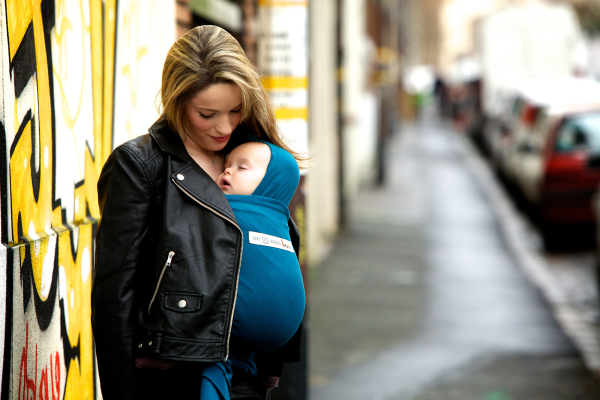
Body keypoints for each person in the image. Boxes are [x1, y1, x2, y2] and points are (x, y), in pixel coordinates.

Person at [91, 25, 308, 400]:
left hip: (245, 376)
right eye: (207, 114)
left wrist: (269, 364)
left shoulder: (250, 159)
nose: (224, 127)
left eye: (235, 110)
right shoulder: (140, 165)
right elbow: (115, 297)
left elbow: (273, 248)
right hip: (171, 377)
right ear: (177, 102)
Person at [217, 139, 305, 353]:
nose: (228, 171)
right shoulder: (283, 226)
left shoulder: (225, 213)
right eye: (225, 165)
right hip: (275, 343)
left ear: (273, 181)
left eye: (242, 167)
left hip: (226, 329)